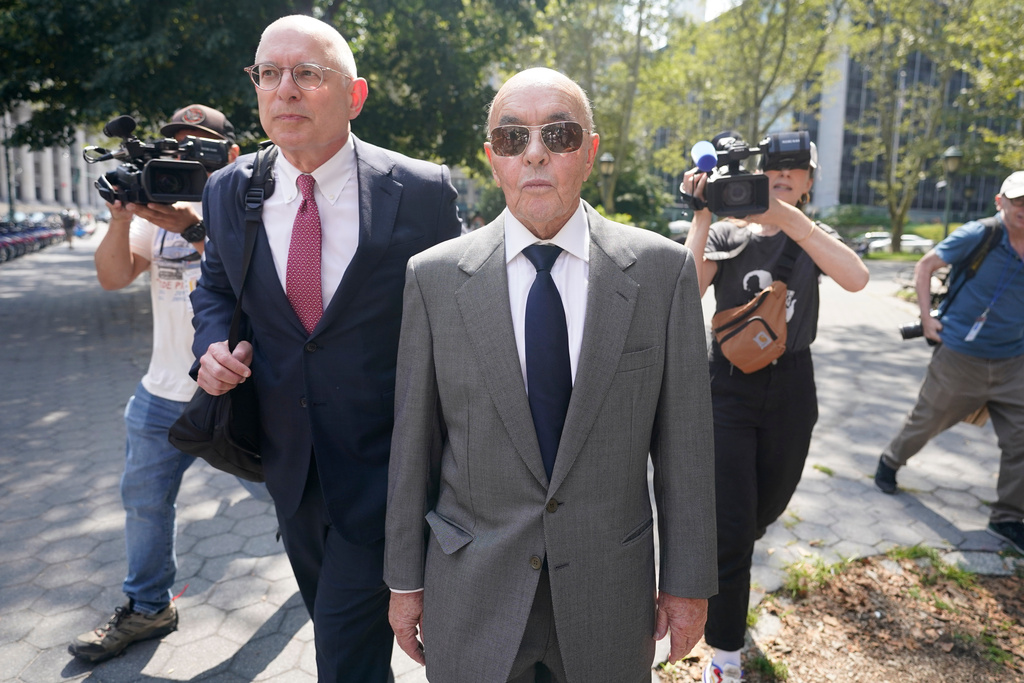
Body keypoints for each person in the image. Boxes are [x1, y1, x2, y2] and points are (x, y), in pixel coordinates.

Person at [385, 67, 717, 683]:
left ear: (589, 152)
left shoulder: (660, 273)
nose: (534, 152)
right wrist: (404, 582)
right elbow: (414, 447)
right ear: (493, 159)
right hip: (472, 589)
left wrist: (688, 584)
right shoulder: (432, 278)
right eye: (512, 139)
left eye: (558, 135)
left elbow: (686, 449)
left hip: (609, 594)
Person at [189, 15, 461, 682]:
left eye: (307, 73)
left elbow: (459, 315)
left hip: (389, 468)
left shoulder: (421, 191)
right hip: (289, 467)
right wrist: (208, 348)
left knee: (341, 653)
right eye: (269, 74)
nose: (286, 89)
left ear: (354, 95)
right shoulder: (231, 190)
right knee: (350, 639)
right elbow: (216, 287)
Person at [69, 104, 268, 664]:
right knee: (145, 503)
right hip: (161, 395)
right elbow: (112, 278)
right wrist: (120, 217)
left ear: (230, 155)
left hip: (238, 393)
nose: (180, 155)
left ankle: (333, 574)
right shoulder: (153, 216)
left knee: (291, 494)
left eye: (196, 146)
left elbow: (256, 287)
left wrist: (195, 227)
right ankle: (148, 605)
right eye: (172, 145)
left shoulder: (251, 208)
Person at [682, 133, 869, 683]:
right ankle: (724, 657)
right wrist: (699, 216)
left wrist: (786, 218)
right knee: (733, 527)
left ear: (810, 180)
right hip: (728, 387)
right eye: (775, 166)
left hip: (792, 388)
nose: (784, 174)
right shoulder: (727, 234)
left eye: (795, 168)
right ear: (760, 171)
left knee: (769, 503)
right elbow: (682, 292)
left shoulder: (810, 235)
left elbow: (857, 279)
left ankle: (739, 545)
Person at [875, 171, 1024, 554]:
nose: (1023, 208)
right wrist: (927, 319)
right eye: (1017, 200)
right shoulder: (981, 234)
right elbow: (925, 266)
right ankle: (891, 461)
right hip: (960, 356)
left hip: (1014, 361)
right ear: (1000, 201)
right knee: (926, 420)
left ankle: (1007, 517)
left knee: (1021, 441)